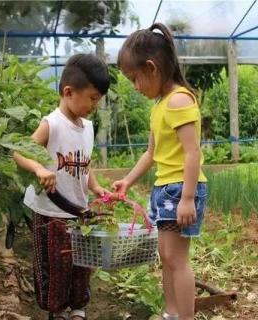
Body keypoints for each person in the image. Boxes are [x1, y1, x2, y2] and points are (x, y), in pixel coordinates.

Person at [113, 23, 207, 320]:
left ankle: (185, 316)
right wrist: (127, 180)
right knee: (166, 257)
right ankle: (171, 313)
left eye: (134, 79)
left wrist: (188, 197)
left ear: (151, 68)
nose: (135, 87)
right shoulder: (160, 106)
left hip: (180, 189)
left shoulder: (179, 100)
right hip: (165, 189)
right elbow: (152, 153)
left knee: (177, 259)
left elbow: (192, 152)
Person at [14, 53, 110, 320]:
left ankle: (78, 307)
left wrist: (96, 187)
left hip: (79, 212)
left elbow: (84, 165)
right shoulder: (51, 124)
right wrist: (39, 168)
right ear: (69, 91)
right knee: (55, 265)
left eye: (98, 100)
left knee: (81, 263)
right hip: (50, 213)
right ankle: (56, 311)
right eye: (92, 98)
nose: (94, 105)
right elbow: (19, 152)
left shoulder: (88, 127)